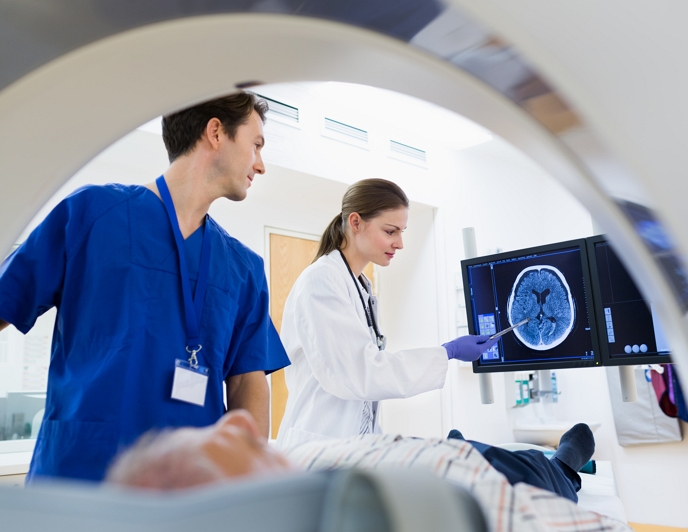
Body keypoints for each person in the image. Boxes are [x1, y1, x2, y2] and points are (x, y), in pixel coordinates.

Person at [0, 91, 290, 482]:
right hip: (80, 474)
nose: (260, 164)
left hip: (191, 489)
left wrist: (250, 482)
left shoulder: (243, 268)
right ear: (216, 132)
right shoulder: (90, 214)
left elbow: (248, 383)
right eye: (256, 145)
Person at [106, 410, 631, 532]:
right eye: (225, 438)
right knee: (557, 463)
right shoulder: (381, 508)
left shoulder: (296, 460)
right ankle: (569, 461)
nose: (239, 421)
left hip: (431, 450)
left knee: (459, 441)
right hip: (496, 475)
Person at [276, 178, 498, 449]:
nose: (400, 243)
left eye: (401, 232)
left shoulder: (359, 286)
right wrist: (446, 352)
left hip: (347, 447)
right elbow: (362, 373)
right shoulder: (321, 280)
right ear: (356, 222)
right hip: (317, 446)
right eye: (391, 231)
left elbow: (363, 401)